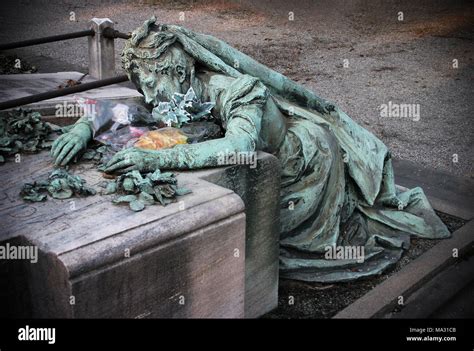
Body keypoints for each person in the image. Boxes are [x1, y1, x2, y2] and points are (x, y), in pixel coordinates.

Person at [51, 17, 449, 282]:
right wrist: (88, 125)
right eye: (145, 84)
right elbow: (141, 109)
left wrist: (156, 157)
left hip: (307, 162)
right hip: (282, 152)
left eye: (153, 83)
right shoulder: (171, 89)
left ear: (178, 71)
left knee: (291, 248)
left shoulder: (234, 91)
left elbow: (241, 146)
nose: (149, 93)